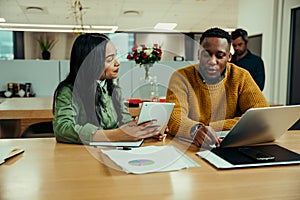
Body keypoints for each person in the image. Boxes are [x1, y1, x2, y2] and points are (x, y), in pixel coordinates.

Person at [166, 27, 269, 148]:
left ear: (229, 57)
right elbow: (175, 118)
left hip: (232, 146)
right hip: (191, 147)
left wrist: (210, 127)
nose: (212, 61)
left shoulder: (241, 76)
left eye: (219, 56)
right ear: (199, 54)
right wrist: (195, 129)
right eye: (206, 54)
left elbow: (261, 117)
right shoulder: (181, 77)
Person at [52, 33, 162, 144]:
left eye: (116, 57)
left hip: (113, 151)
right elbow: (62, 129)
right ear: (91, 63)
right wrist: (114, 135)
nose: (117, 63)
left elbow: (125, 122)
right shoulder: (68, 91)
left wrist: (144, 131)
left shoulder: (114, 90)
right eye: (110, 59)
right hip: (84, 155)